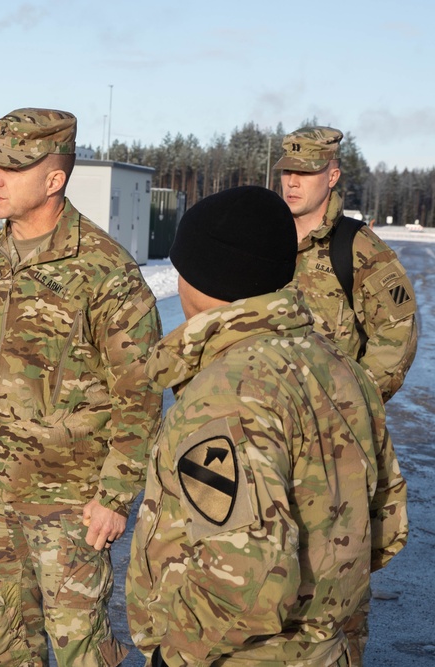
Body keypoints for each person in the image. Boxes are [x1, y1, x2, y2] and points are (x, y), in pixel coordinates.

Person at [125, 186, 408, 667]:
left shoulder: (226, 393)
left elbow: (246, 583)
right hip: (330, 648)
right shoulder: (338, 365)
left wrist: (173, 655)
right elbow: (387, 525)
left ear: (203, 275)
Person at [0, 108, 163, 666]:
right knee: (4, 646)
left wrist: (114, 497)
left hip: (69, 506)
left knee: (81, 648)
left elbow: (142, 395)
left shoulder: (105, 271)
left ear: (54, 179)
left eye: (12, 168)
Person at [275, 126, 417, 404]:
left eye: (305, 172)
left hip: (329, 430)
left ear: (332, 177)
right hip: (265, 419)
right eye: (286, 171)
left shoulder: (359, 248)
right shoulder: (263, 237)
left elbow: (397, 332)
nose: (292, 182)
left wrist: (354, 402)